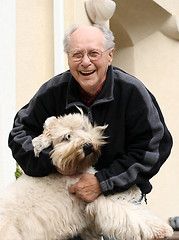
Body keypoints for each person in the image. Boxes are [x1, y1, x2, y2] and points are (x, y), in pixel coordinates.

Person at [8, 24, 173, 240]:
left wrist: (103, 182)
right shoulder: (52, 91)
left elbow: (154, 148)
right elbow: (19, 134)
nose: (86, 62)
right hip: (67, 195)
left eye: (94, 53)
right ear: (68, 57)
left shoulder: (133, 92)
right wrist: (55, 161)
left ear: (110, 55)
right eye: (77, 54)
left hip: (121, 192)